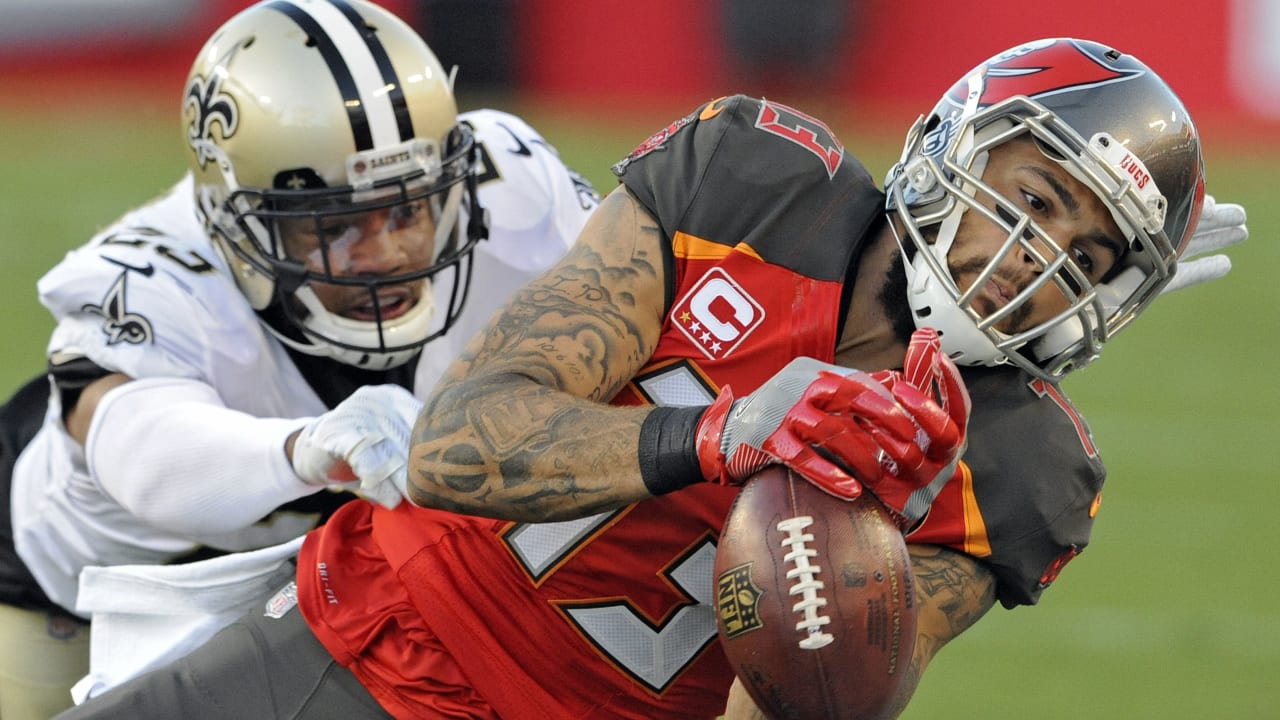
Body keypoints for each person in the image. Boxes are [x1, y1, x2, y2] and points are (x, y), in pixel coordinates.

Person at [56, 37, 1246, 720]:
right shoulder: (757, 184)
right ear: (949, 149)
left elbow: (810, 700)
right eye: (1032, 198)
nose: (1036, 255)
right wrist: (723, 438)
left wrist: (853, 530)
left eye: (1089, 254)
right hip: (365, 641)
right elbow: (454, 445)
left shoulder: (1019, 465)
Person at [0, 0, 599, 716]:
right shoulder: (153, 278)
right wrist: (304, 449)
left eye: (407, 208)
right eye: (334, 225)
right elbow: (137, 448)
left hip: (333, 588)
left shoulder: (513, 191)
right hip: (83, 597)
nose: (384, 254)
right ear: (234, 220)